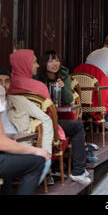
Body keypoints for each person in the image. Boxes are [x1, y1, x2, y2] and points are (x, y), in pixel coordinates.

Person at [8, 49, 91, 185]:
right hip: (41, 129)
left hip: (17, 128)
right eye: (34, 62)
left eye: (57, 60)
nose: (38, 65)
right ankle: (78, 170)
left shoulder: (8, 84)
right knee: (76, 126)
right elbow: (50, 112)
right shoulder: (37, 86)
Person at [35, 50, 99, 165]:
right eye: (50, 61)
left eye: (57, 60)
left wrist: (63, 87)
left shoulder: (63, 75)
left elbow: (68, 99)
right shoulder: (37, 78)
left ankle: (74, 155)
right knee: (72, 122)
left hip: (58, 112)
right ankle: (80, 151)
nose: (55, 64)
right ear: (44, 63)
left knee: (71, 116)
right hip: (43, 114)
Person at [0, 67, 53, 191]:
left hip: (15, 145)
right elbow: (2, 142)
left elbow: (45, 119)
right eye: (0, 81)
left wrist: (45, 149)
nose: (3, 85)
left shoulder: (17, 101)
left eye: (7, 81)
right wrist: (36, 151)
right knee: (37, 162)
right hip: (8, 147)